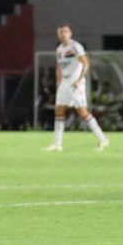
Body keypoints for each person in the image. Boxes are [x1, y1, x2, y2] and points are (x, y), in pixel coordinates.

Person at [42, 23, 109, 151]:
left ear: (70, 33)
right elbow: (59, 67)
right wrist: (58, 83)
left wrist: (79, 80)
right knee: (59, 110)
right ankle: (57, 143)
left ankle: (103, 139)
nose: (63, 34)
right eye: (61, 32)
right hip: (65, 82)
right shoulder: (59, 49)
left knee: (82, 112)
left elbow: (85, 63)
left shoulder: (75, 46)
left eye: (65, 31)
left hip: (74, 81)